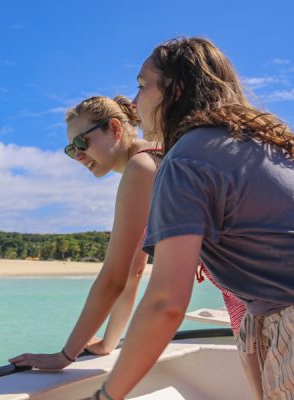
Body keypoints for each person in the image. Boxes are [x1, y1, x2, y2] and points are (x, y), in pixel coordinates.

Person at [89, 37, 294, 400]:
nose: (134, 104)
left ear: (176, 90)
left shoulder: (185, 161)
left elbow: (165, 302)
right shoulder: (267, 143)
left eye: (141, 86)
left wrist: (106, 395)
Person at [9, 95, 162, 370]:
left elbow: (113, 279)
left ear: (115, 129)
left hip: (254, 297)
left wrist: (65, 356)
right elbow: (132, 272)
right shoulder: (154, 153)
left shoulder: (141, 167)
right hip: (250, 289)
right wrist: (107, 343)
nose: (78, 156)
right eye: (71, 149)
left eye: (82, 142)